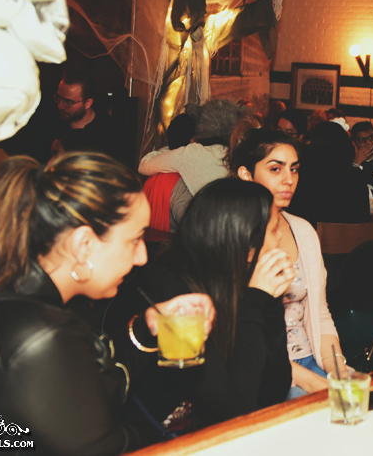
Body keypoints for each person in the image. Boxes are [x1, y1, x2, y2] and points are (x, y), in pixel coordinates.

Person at [0, 152, 210, 454]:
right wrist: (178, 432)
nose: (142, 256)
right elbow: (106, 448)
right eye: (134, 240)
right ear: (83, 245)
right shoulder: (39, 333)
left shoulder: (22, 291)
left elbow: (88, 386)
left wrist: (146, 328)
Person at [113, 178, 293, 435]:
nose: (281, 237)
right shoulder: (176, 294)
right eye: (275, 229)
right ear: (246, 243)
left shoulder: (239, 281)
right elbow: (234, 408)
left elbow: (274, 391)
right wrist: (256, 301)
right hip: (155, 440)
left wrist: (269, 301)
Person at [231, 128, 346, 398]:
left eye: (294, 169)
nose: (289, 180)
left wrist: (339, 370)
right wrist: (314, 383)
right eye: (275, 169)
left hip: (309, 357)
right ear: (246, 174)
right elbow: (236, 335)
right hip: (262, 369)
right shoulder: (232, 234)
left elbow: (319, 312)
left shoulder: (302, 230)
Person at [138, 98, 247, 225]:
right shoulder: (238, 152)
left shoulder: (191, 152)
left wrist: (171, 149)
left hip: (208, 225)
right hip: (240, 220)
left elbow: (144, 164)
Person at [287, 121, 371, 226]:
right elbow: (364, 220)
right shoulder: (355, 177)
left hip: (310, 233)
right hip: (348, 235)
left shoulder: (304, 177)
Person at [52, 68, 125, 161]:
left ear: (88, 103)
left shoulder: (110, 130)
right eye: (58, 98)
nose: (60, 106)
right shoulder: (50, 124)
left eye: (68, 102)